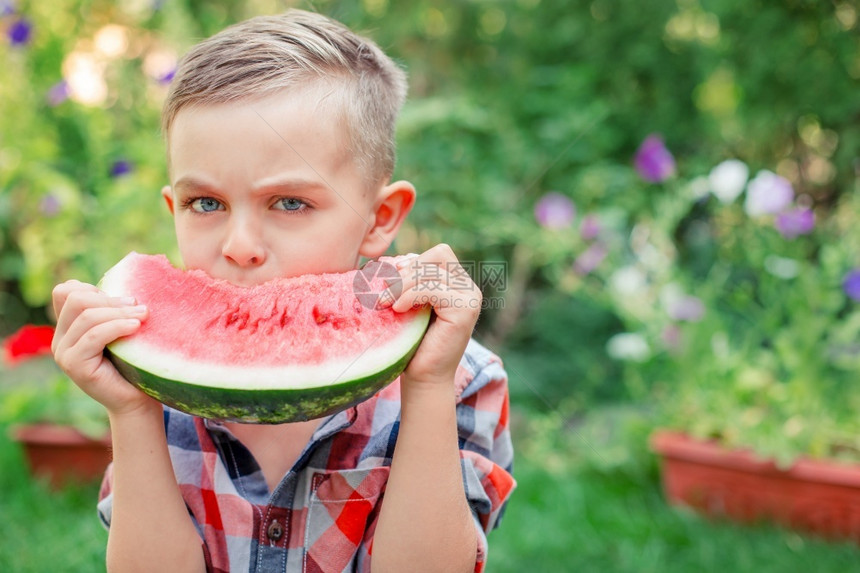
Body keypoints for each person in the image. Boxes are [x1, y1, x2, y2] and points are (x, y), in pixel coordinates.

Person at [51, 9, 514, 573]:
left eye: (290, 203)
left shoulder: (464, 377)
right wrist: (131, 413)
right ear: (174, 209)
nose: (240, 244)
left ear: (379, 218)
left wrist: (430, 388)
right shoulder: (156, 389)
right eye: (207, 204)